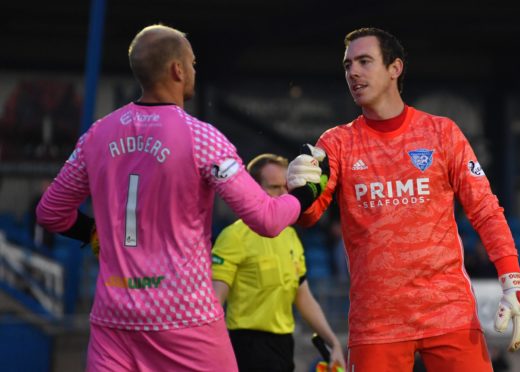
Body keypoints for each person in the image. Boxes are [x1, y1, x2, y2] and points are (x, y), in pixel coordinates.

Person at [35, 24, 322, 372]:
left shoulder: (97, 134)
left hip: (114, 319)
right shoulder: (200, 138)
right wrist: (305, 194)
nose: (195, 71)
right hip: (185, 320)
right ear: (178, 69)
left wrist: (92, 233)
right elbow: (267, 219)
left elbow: (51, 212)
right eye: (194, 63)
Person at [287, 27, 520, 372]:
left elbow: (486, 210)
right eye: (347, 65)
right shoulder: (336, 142)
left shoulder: (442, 132)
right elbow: (309, 217)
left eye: (364, 61)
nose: (353, 72)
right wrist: (298, 191)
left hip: (449, 313)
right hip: (376, 323)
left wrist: (513, 281)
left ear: (395, 68)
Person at [211, 153, 345, 372]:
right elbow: (215, 301)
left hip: (284, 345)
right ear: (253, 190)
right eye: (275, 187)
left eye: (287, 187)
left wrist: (333, 342)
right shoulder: (233, 236)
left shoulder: (290, 235)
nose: (284, 194)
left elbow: (304, 297)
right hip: (245, 347)